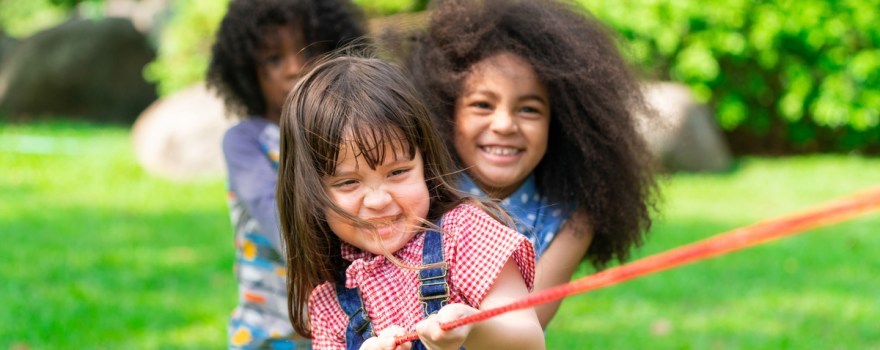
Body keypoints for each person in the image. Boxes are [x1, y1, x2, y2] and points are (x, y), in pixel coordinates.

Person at [399, 0, 660, 328]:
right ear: (446, 112)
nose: (505, 125)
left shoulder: (572, 218)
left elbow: (525, 329)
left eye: (529, 109)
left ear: (562, 123)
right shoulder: (420, 191)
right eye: (482, 104)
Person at [276, 55, 545, 350]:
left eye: (398, 172)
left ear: (425, 164)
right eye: (348, 182)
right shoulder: (330, 302)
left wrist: (474, 327)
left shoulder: (464, 235)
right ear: (312, 194)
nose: (378, 200)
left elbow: (529, 340)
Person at [205, 0, 366, 348]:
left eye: (310, 51)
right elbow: (282, 227)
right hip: (271, 332)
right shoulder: (247, 142)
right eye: (274, 59)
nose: (295, 68)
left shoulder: (352, 135)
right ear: (248, 71)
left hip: (349, 330)